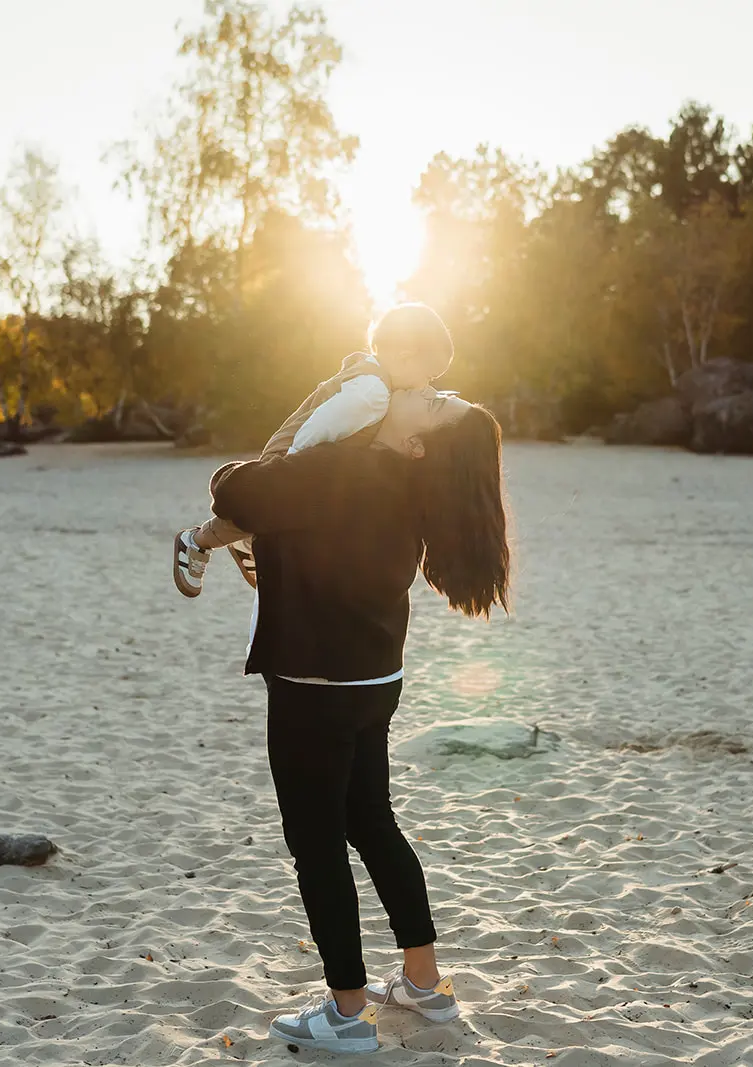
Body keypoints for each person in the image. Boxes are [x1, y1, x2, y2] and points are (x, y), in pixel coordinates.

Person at [207, 389, 511, 1053]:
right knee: (372, 821)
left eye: (435, 405)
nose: (424, 390)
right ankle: (425, 987)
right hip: (376, 677)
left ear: (415, 443)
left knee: (316, 844)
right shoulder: (408, 483)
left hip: (316, 682)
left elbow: (237, 492)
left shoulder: (347, 467)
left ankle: (346, 1012)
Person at [172, 303, 454, 598]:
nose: (427, 387)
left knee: (278, 516)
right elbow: (316, 429)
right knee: (273, 509)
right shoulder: (372, 395)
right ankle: (195, 542)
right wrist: (284, 473)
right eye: (430, 377)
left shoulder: (371, 373)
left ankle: (246, 541)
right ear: (406, 357)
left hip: (296, 456)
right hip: (292, 458)